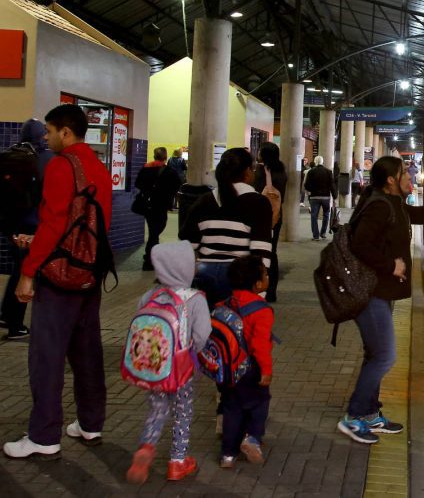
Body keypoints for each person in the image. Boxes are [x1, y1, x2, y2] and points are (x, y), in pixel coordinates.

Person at [3, 104, 112, 459]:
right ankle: (91, 423)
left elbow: (52, 225)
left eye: (50, 131)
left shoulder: (62, 166)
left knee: (46, 357)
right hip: (89, 274)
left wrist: (28, 272)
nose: (47, 139)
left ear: (66, 132)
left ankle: (44, 435)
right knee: (87, 352)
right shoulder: (98, 166)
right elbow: (94, 227)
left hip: (59, 276)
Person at [337, 156, 424, 444]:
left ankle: (369, 414)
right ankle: (354, 417)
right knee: (385, 356)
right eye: (404, 172)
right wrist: (391, 265)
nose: (410, 175)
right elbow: (360, 245)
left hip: (382, 291)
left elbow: (417, 216)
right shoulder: (379, 206)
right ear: (391, 180)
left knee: (375, 354)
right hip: (371, 293)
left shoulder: (392, 204)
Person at [125, 241, 210, 484]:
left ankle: (146, 447)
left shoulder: (149, 295)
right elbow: (202, 334)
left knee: (157, 409)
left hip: (154, 368)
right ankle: (177, 461)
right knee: (183, 411)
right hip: (181, 370)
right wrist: (194, 354)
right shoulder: (195, 299)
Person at [179, 147, 272, 308]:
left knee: (207, 327)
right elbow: (261, 250)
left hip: (204, 276)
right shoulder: (258, 203)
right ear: (247, 171)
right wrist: (260, 292)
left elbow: (188, 244)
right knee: (236, 329)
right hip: (240, 278)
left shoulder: (204, 201)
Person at [0, 119, 54, 341]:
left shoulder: (11, 156)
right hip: (33, 225)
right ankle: (15, 324)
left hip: (11, 225)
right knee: (27, 273)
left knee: (18, 268)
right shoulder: (48, 159)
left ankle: (7, 314)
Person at [219, 255, 274, 469]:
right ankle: (252, 439)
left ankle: (227, 455)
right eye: (265, 274)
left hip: (227, 369)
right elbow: (259, 345)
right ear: (258, 284)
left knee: (232, 408)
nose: (267, 277)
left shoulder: (223, 304)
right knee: (259, 402)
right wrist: (266, 370)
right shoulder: (261, 309)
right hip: (250, 369)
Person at [135, 147, 182, 271]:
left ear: (154, 155)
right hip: (161, 205)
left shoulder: (146, 169)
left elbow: (138, 183)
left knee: (153, 230)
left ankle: (151, 257)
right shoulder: (169, 171)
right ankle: (149, 260)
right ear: (165, 157)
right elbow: (177, 185)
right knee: (156, 231)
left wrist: (148, 190)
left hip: (148, 205)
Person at [251, 142, 287, 303]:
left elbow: (256, 192)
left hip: (260, 216)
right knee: (272, 252)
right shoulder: (282, 172)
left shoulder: (260, 171)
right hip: (276, 216)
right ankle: (272, 291)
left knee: (259, 251)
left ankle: (259, 287)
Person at [304, 155, 336, 240]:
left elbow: (306, 185)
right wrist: (334, 196)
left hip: (314, 197)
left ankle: (316, 235)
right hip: (326, 197)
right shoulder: (328, 172)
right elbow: (332, 185)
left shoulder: (311, 172)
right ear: (322, 162)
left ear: (315, 162)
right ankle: (323, 233)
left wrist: (311, 190)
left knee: (314, 216)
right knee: (326, 215)